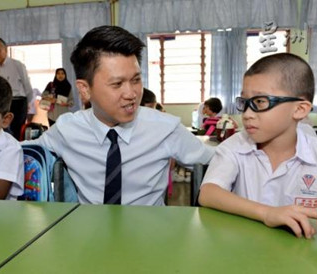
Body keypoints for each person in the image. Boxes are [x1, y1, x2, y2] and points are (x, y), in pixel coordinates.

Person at [23, 25, 214, 206]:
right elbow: (20, 152)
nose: (131, 94)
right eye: (117, 84)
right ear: (84, 89)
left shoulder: (165, 128)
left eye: (136, 80)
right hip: (91, 233)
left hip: (150, 232)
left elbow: (217, 162)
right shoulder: (67, 129)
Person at [198, 53, 317, 241]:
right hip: (247, 250)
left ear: (300, 109)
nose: (247, 114)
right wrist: (267, 213)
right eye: (245, 103)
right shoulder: (235, 146)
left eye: (260, 102)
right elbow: (209, 193)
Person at [0, 38, 34, 140]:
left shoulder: (17, 65)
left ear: (5, 49)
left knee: (16, 130)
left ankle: (16, 152)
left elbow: (27, 85)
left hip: (19, 102)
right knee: (4, 129)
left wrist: (28, 103)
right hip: (4, 103)